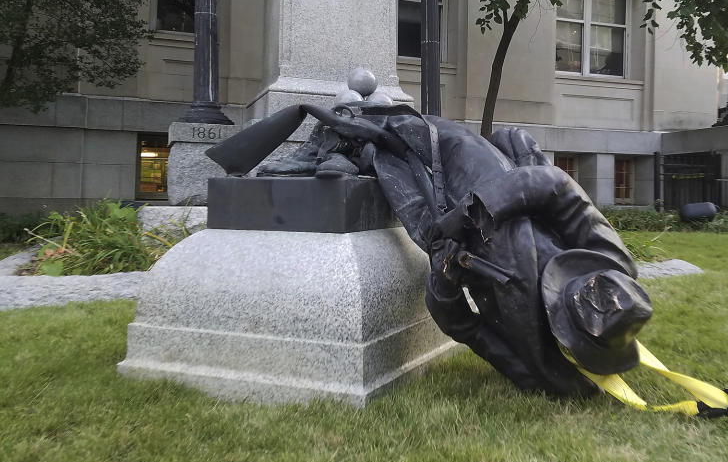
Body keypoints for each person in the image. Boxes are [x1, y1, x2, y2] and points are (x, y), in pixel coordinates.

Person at [206, 103, 653, 397]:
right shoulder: (612, 265)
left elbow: (467, 329)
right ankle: (339, 135)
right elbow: (557, 187)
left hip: (448, 243)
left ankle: (350, 149)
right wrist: (479, 208)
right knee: (414, 130)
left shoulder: (542, 365)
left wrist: (443, 282)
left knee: (391, 169)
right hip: (497, 189)